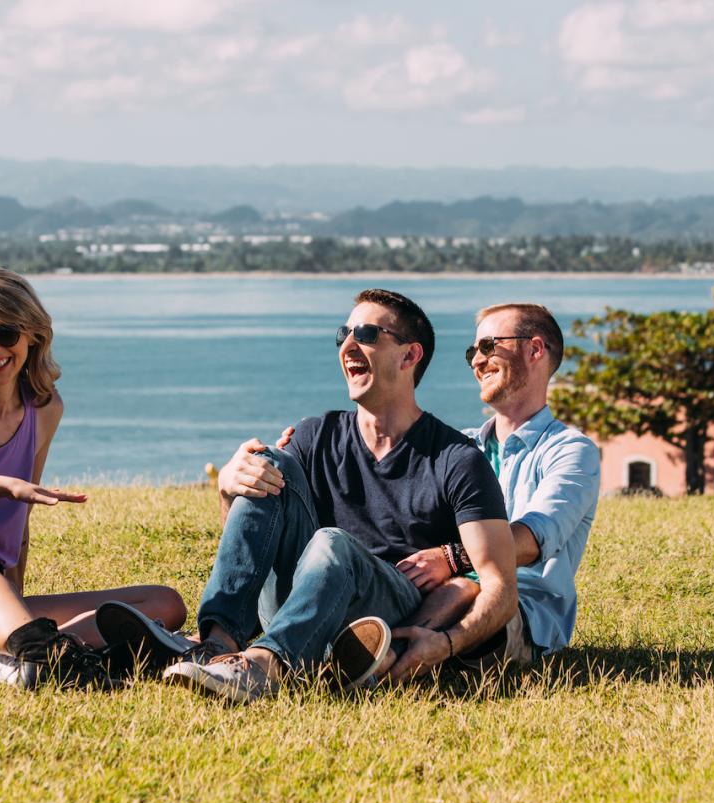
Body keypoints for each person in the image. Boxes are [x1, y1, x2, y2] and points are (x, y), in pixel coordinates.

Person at [106, 288, 517, 704]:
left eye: (368, 334)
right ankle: (216, 645)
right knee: (269, 462)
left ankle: (264, 665)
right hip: (297, 598)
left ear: (410, 356)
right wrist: (229, 487)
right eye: (344, 334)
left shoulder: (456, 459)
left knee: (330, 542)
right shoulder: (314, 436)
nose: (349, 345)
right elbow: (255, 538)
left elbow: (500, 584)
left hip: (381, 614)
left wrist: (446, 643)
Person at [0, 268, 186, 679]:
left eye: (6, 333)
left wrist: (13, 598)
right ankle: (34, 650)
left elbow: (19, 525)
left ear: (33, 336)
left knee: (166, 603)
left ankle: (23, 644)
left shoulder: (44, 410)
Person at [347, 302, 601, 683]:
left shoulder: (570, 451)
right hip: (431, 595)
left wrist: (451, 558)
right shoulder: (461, 447)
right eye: (472, 352)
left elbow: (534, 538)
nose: (476, 362)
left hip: (520, 614)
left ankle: (376, 661)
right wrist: (299, 451)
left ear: (535, 350)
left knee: (463, 587)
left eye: (487, 347)